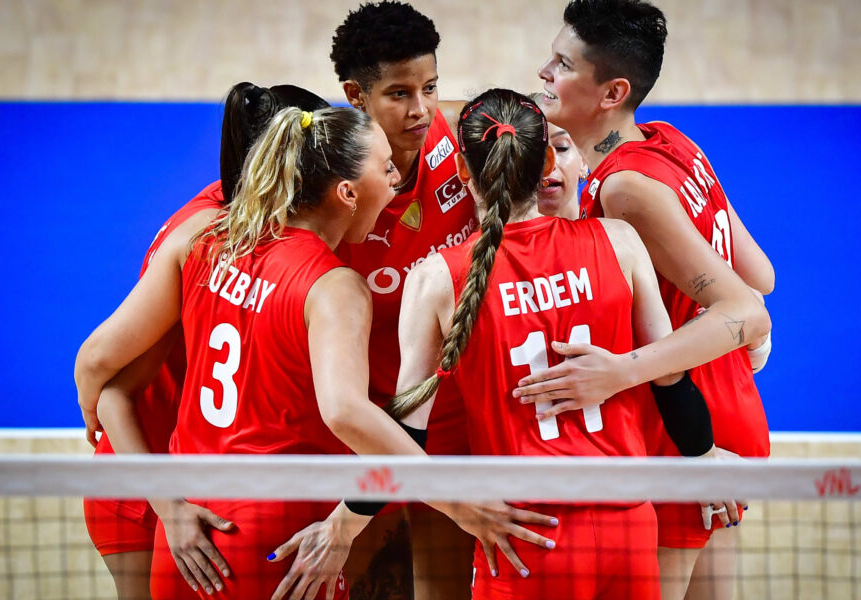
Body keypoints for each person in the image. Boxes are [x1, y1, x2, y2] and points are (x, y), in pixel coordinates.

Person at [76, 104, 556, 600]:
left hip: (183, 530)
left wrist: (167, 505)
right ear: (347, 192)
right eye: (385, 169)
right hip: (274, 532)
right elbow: (345, 412)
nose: (396, 181)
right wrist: (455, 499)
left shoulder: (203, 240)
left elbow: (106, 379)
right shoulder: (334, 286)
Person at [388, 87, 753, 600]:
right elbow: (671, 379)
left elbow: (406, 436)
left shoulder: (436, 278)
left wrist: (457, 506)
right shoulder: (618, 241)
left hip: (526, 534)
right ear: (544, 166)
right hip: (629, 526)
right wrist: (703, 454)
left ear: (463, 171)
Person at [526, 1, 775, 597]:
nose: (544, 73)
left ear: (612, 92)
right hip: (730, 407)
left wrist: (619, 372)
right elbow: (760, 273)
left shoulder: (625, 187)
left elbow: (746, 308)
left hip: (685, 429)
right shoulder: (670, 142)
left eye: (562, 64)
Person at [78, 82, 331, 600]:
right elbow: (98, 367)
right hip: (143, 479)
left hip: (199, 484)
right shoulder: (208, 235)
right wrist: (97, 418)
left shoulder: (251, 218)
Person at [329, 3, 478, 597]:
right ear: (356, 95)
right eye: (399, 93)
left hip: (452, 417)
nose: (421, 109)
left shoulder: (458, 136)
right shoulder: (332, 186)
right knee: (368, 583)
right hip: (369, 425)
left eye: (430, 87)